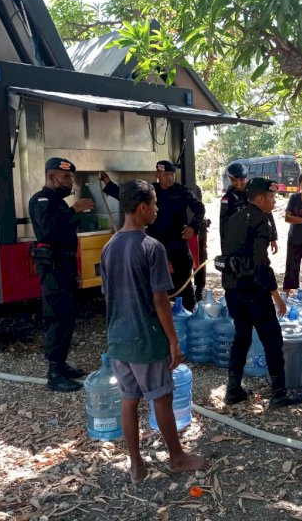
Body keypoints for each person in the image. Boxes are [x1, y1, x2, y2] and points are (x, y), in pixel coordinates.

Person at [100, 179, 206, 484]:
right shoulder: (151, 247)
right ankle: (177, 457)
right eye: (155, 204)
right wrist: (173, 340)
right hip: (146, 338)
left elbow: (109, 296)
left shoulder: (109, 248)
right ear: (143, 207)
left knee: (128, 400)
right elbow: (160, 299)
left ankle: (136, 465)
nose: (157, 210)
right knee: (161, 398)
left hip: (118, 338)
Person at [220, 178, 302, 408]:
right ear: (260, 198)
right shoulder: (260, 220)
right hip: (254, 292)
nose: (274, 201)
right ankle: (279, 394)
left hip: (233, 290)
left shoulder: (235, 217)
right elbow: (260, 263)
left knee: (242, 337)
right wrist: (276, 295)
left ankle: (233, 390)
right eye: (271, 197)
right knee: (272, 339)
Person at [100, 161, 205, 311]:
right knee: (157, 286)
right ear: (157, 175)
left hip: (178, 244)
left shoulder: (182, 191)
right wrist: (108, 184)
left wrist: (193, 227)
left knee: (184, 286)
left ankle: (189, 318)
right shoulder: (150, 192)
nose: (169, 177)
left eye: (171, 174)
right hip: (154, 244)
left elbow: (199, 208)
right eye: (165, 174)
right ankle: (163, 319)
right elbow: (127, 197)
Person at [28, 158, 94, 392]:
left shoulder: (58, 202)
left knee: (67, 314)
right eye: (66, 177)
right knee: (56, 315)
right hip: (53, 268)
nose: (70, 181)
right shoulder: (42, 200)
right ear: (51, 177)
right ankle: (54, 373)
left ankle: (62, 364)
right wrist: (74, 209)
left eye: (71, 178)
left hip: (64, 265)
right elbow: (48, 231)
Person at [219, 162, 278, 253]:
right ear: (230, 180)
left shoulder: (255, 194)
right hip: (237, 242)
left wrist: (273, 238)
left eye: (241, 180)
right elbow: (223, 224)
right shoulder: (227, 198)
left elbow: (268, 213)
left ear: (246, 178)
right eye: (235, 180)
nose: (238, 183)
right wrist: (224, 249)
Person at [188, 183, 210, 302]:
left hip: (198, 229)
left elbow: (200, 209)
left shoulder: (195, 188)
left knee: (200, 258)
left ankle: (199, 289)